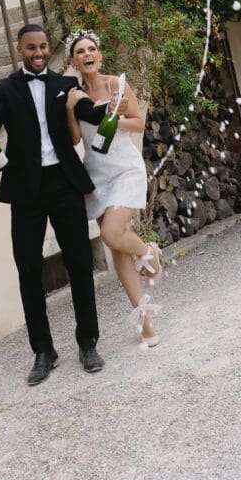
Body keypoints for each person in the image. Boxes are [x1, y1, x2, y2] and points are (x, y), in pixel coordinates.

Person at [0, 23, 112, 386]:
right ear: (19, 50)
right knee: (28, 271)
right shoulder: (4, 89)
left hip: (64, 182)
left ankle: (88, 342)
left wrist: (111, 105)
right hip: (26, 190)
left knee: (80, 263)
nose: (39, 53)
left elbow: (92, 114)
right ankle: (43, 351)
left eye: (44, 47)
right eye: (31, 48)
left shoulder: (65, 85)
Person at [65, 30, 162, 348]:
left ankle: (149, 252)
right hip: (96, 176)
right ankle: (145, 321)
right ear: (73, 60)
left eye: (92, 48)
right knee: (117, 249)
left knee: (111, 233)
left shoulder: (116, 85)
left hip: (124, 170)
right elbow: (76, 139)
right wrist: (69, 108)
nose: (87, 54)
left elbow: (139, 122)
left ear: (100, 55)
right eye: (80, 51)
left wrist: (113, 117)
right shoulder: (75, 93)